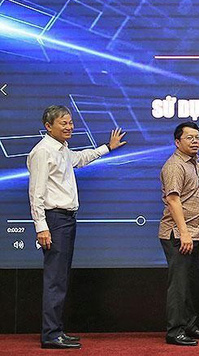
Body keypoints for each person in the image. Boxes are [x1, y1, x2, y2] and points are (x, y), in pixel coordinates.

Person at [27, 105, 126, 349]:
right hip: (54, 220)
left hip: (66, 219)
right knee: (55, 279)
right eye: (64, 123)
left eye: (70, 122)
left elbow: (80, 159)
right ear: (48, 126)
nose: (70, 126)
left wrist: (107, 148)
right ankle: (50, 334)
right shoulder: (43, 152)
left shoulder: (62, 149)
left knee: (60, 278)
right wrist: (41, 227)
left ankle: (57, 330)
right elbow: (36, 193)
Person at [159, 122, 199, 346]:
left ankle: (189, 326)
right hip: (180, 235)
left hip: (194, 234)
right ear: (178, 142)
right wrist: (184, 233)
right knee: (179, 285)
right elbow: (173, 199)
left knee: (190, 284)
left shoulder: (192, 163)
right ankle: (175, 331)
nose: (196, 141)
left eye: (198, 137)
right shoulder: (174, 165)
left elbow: (198, 170)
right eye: (190, 138)